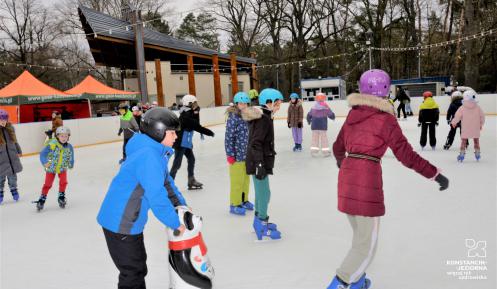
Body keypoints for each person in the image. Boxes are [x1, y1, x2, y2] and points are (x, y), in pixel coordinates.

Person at [327, 69, 449, 289]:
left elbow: (338, 147)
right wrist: (435, 174)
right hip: (366, 182)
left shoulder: (353, 115)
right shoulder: (385, 119)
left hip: (346, 178)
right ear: (385, 90)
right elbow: (406, 155)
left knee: (359, 237)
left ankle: (358, 281)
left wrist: (342, 164)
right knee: (366, 246)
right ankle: (341, 283)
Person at [97, 108, 187, 289]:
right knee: (132, 272)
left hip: (127, 221)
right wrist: (174, 222)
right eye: (172, 133)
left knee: (137, 267)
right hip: (121, 223)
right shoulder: (149, 157)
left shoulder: (153, 151)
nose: (176, 137)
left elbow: (166, 183)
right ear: (158, 132)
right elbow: (156, 195)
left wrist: (182, 206)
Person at [242, 88, 283, 241]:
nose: (279, 106)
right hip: (258, 161)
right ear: (269, 102)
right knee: (265, 193)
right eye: (277, 103)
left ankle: (258, 220)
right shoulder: (263, 118)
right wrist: (260, 164)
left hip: (257, 160)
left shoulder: (264, 116)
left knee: (261, 193)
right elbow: (255, 143)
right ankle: (262, 224)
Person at [170, 94, 214, 189]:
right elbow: (196, 125)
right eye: (194, 103)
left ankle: (191, 180)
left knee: (191, 159)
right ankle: (169, 184)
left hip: (186, 142)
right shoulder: (185, 115)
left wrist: (196, 113)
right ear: (189, 103)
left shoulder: (189, 112)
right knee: (177, 164)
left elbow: (195, 124)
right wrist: (209, 132)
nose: (196, 104)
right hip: (180, 143)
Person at [225, 92, 253, 216]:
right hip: (236, 156)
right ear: (236, 104)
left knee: (245, 180)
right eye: (241, 103)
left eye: (246, 103)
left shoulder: (247, 116)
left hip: (247, 154)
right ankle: (234, 204)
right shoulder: (233, 118)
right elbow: (229, 138)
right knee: (237, 181)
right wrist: (230, 154)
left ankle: (244, 200)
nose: (244, 105)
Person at [35, 126, 74, 211]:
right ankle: (42, 198)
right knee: (48, 184)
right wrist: (44, 162)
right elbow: (42, 154)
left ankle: (61, 196)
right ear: (57, 136)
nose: (64, 138)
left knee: (63, 182)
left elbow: (71, 155)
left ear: (68, 137)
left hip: (62, 168)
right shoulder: (52, 145)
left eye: (66, 136)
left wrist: (71, 163)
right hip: (51, 168)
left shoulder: (69, 146)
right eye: (62, 136)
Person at [451, 90, 485, 162]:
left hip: (466, 128)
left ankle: (462, 154)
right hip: (475, 128)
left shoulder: (462, 108)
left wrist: (454, 123)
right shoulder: (477, 107)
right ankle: (477, 154)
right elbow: (482, 116)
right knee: (476, 141)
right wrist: (481, 124)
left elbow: (457, 116)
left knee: (463, 141)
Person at [0, 109, 22, 204]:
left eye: (5, 119)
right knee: (0, 178)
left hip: (12, 157)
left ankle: (14, 190)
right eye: (1, 120)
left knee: (12, 176)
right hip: (1, 159)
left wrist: (18, 150)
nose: (3, 121)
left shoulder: (10, 129)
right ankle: (0, 193)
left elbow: (15, 141)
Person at [306, 92, 335, 157]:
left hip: (314, 126)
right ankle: (326, 152)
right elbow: (331, 114)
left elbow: (309, 115)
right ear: (323, 98)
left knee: (314, 139)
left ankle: (313, 151)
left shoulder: (314, 107)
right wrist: (333, 117)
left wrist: (308, 121)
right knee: (324, 139)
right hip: (322, 126)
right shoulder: (325, 106)